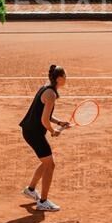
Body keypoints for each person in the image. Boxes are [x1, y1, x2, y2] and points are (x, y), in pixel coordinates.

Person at [19, 64, 69, 212]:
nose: (67, 79)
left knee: (46, 162)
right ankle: (43, 201)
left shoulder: (46, 88)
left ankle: (31, 189)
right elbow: (44, 121)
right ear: (59, 79)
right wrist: (53, 131)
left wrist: (59, 123)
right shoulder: (51, 94)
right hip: (34, 133)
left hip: (30, 130)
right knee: (50, 165)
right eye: (65, 76)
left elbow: (45, 115)